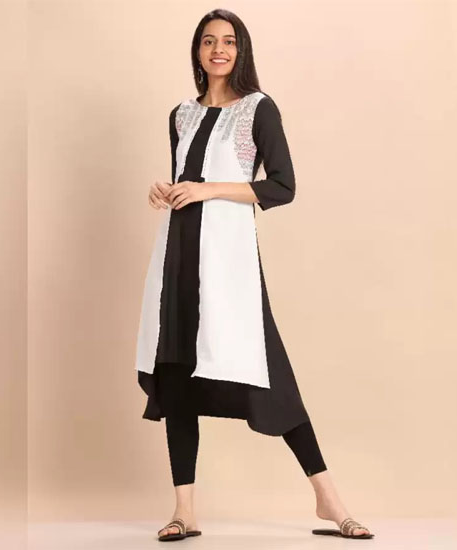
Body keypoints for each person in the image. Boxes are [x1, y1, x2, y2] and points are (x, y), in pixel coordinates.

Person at [134, 8, 374, 542]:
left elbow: (282, 186)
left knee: (271, 374)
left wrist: (209, 189)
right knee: (176, 375)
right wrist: (166, 190)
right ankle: (184, 510)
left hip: (227, 262)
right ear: (197, 51)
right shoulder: (181, 114)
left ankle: (328, 500)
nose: (218, 49)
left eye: (229, 41)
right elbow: (185, 179)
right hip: (176, 256)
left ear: (241, 51)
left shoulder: (258, 109)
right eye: (208, 41)